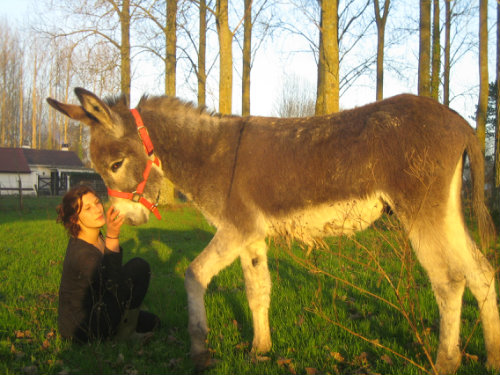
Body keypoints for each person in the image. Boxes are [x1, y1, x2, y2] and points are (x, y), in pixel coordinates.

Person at [56, 184, 160, 342]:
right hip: (83, 326)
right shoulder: (82, 254)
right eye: (87, 208)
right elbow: (112, 283)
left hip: (101, 305)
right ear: (74, 219)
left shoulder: (97, 236)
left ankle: (124, 326)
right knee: (139, 266)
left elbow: (112, 279)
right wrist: (113, 235)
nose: (98, 209)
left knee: (154, 322)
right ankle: (125, 334)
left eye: (97, 202)